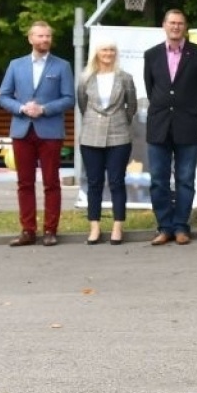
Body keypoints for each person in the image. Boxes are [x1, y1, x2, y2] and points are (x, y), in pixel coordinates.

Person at [0, 20, 75, 247]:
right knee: (25, 182)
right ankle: (27, 230)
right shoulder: (16, 65)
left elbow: (69, 98)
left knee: (51, 182)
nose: (44, 40)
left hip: (50, 131)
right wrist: (21, 108)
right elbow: (3, 96)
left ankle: (51, 230)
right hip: (22, 130)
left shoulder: (62, 66)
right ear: (30, 39)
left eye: (48, 37)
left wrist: (44, 109)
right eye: (40, 36)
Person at [143, 8, 197, 245]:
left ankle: (181, 226)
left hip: (188, 125)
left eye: (180, 23)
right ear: (164, 25)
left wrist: (191, 111)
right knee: (158, 180)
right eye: (171, 22)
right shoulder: (151, 55)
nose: (175, 26)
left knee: (185, 179)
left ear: (185, 26)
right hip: (159, 125)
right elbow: (150, 88)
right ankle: (164, 226)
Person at [75, 42, 137, 245]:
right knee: (94, 183)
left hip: (119, 136)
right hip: (91, 136)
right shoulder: (85, 79)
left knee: (117, 182)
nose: (108, 53)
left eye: (111, 50)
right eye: (104, 50)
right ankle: (94, 227)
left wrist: (119, 121)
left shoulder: (125, 78)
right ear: (96, 54)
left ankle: (118, 227)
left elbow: (132, 106)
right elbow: (83, 105)